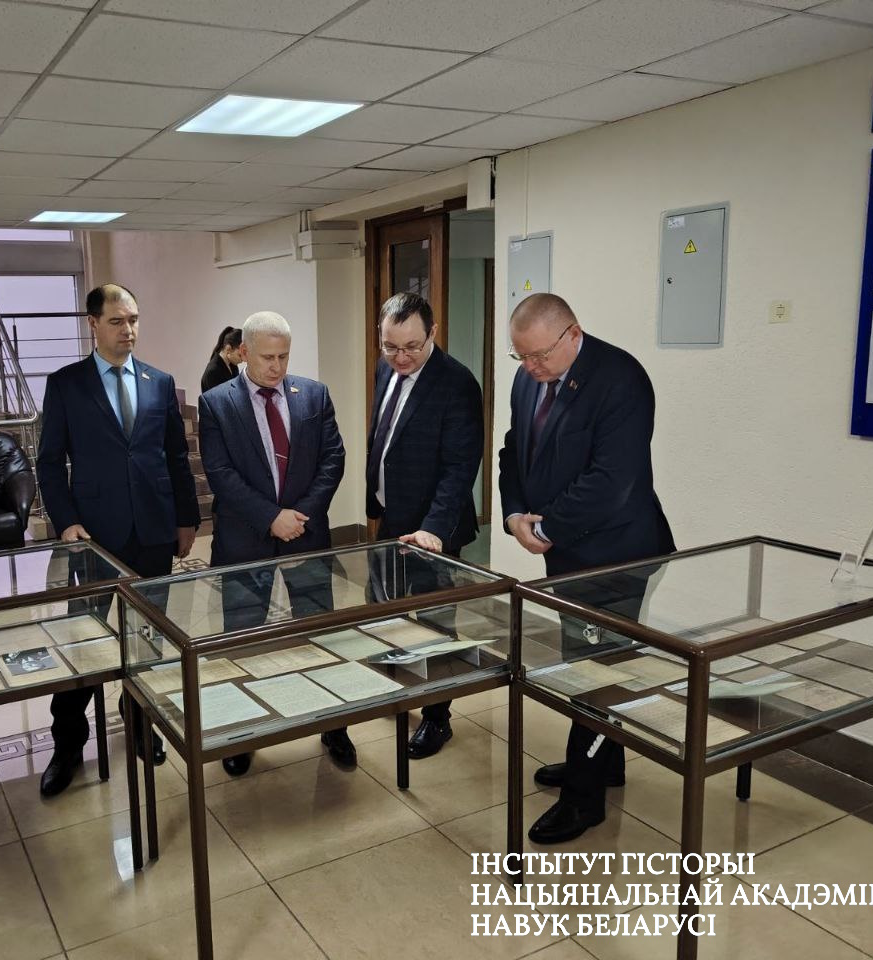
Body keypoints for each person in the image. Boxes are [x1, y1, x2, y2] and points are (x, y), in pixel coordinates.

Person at [499, 292, 674, 844]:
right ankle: (604, 763)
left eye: (539, 355)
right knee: (591, 662)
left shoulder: (620, 379)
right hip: (568, 556)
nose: (530, 367)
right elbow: (514, 450)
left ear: (572, 333)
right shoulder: (529, 378)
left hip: (617, 554)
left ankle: (584, 798)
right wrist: (513, 514)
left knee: (597, 672)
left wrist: (547, 527)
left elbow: (612, 480)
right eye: (521, 356)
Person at [37, 283, 199, 797]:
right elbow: (49, 462)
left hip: (153, 532)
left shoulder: (159, 382)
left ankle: (140, 719)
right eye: (116, 321)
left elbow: (175, 457)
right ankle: (68, 744)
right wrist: (66, 523)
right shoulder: (66, 384)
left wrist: (186, 520)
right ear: (93, 323)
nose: (128, 330)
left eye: (133, 320)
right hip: (94, 537)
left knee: (148, 639)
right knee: (83, 644)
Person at [197, 311, 350, 777]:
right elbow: (220, 474)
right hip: (244, 540)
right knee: (241, 641)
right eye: (267, 357)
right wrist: (270, 518)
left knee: (322, 634)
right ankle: (241, 733)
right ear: (244, 352)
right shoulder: (216, 403)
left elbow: (333, 459)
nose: (277, 367)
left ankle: (334, 725)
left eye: (284, 356)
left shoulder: (314, 395)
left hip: (306, 533)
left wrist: (299, 515)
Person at [365, 292, 484, 760]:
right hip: (391, 519)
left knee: (436, 626)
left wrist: (433, 528)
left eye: (412, 347)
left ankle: (438, 716)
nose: (400, 357)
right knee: (383, 613)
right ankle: (393, 686)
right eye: (390, 347)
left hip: (433, 530)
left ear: (433, 333)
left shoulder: (457, 383)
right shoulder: (386, 368)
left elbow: (460, 467)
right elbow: (386, 437)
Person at [200, 325, 242, 394]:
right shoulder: (213, 372)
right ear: (228, 349)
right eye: (240, 355)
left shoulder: (233, 366)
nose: (242, 359)